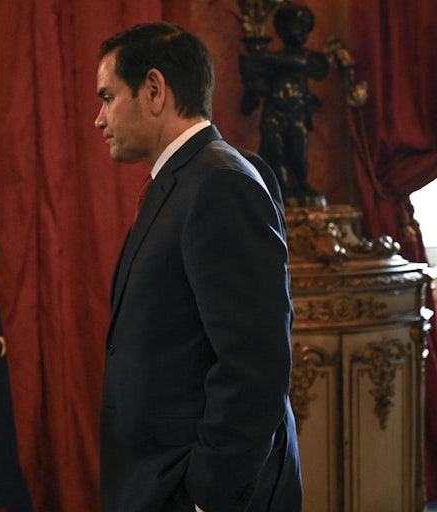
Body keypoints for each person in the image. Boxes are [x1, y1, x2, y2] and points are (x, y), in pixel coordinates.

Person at [94, 22, 301, 511]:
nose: (98, 119)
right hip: (161, 480)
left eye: (107, 97)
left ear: (153, 90)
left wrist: (208, 494)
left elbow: (254, 367)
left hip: (200, 491)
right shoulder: (188, 178)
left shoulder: (217, 183)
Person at [240, 3, 328, 205]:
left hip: (297, 111)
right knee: (275, 152)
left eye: (303, 27)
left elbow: (303, 64)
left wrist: (261, 57)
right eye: (294, 26)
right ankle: (283, 188)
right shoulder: (272, 61)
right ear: (281, 29)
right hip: (274, 112)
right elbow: (258, 85)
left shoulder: (300, 58)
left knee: (298, 151)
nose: (298, 32)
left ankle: (300, 182)